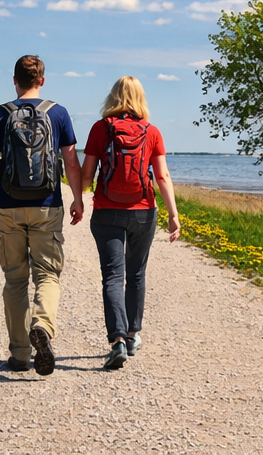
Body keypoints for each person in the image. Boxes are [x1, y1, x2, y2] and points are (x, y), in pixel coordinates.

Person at [0, 54, 82, 375]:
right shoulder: (58, 113)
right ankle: (43, 327)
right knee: (47, 275)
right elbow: (72, 162)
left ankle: (21, 355)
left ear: (14, 80)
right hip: (48, 204)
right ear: (42, 81)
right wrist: (78, 198)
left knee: (15, 280)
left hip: (8, 205)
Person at [80, 75, 180, 370]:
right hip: (143, 212)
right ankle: (133, 334)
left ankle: (117, 341)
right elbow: (162, 177)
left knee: (112, 276)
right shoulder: (152, 132)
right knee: (136, 274)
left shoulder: (101, 129)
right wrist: (173, 214)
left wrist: (79, 197)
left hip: (107, 211)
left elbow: (87, 173)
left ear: (112, 97)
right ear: (141, 98)